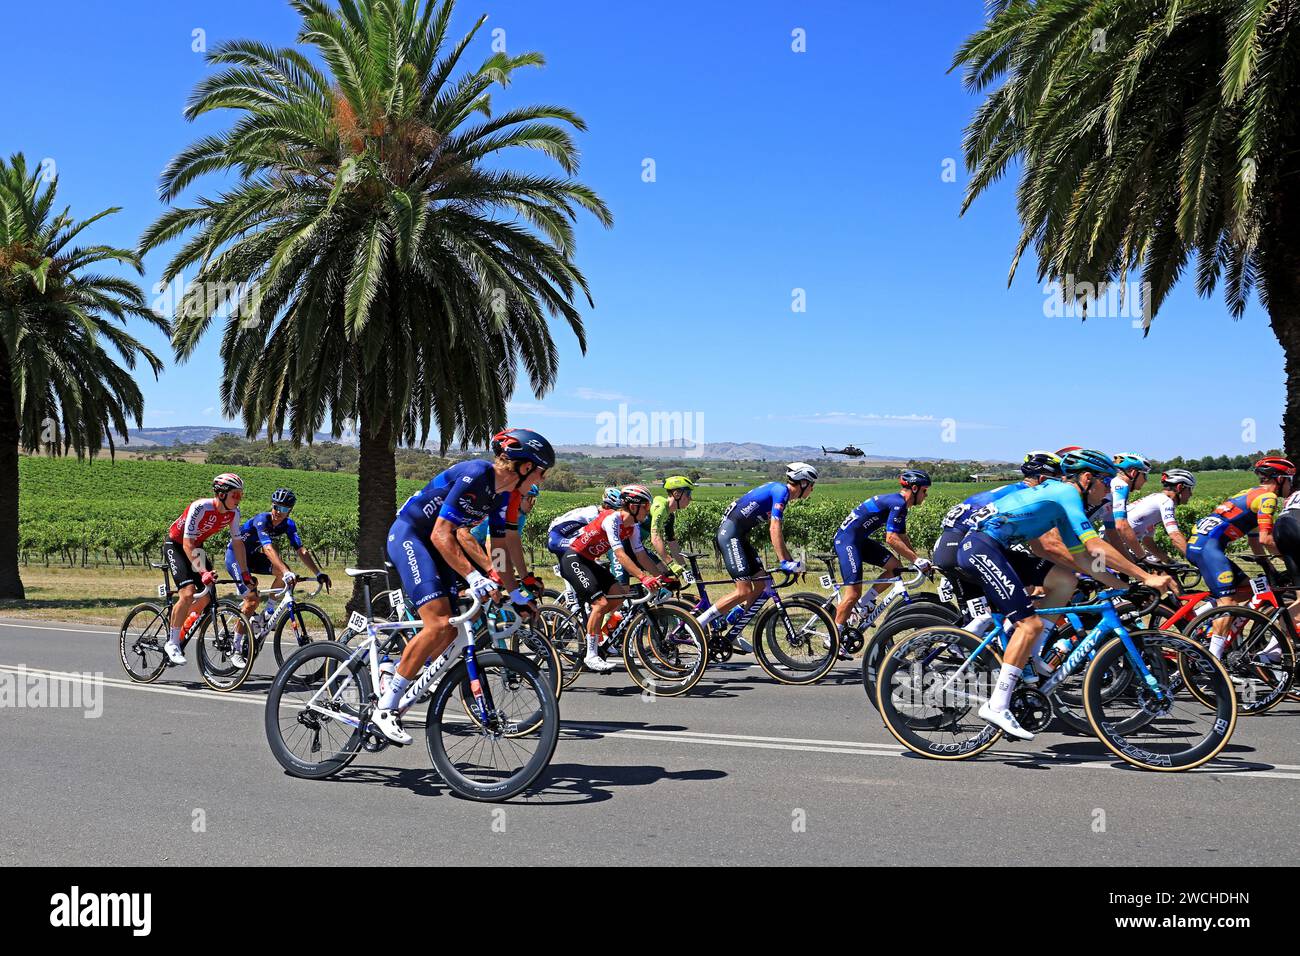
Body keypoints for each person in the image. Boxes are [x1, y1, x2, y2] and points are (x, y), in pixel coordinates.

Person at [957, 449, 1175, 739]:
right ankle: (997, 705)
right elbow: (1097, 547)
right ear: (1087, 478)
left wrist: (1123, 586)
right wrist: (1146, 576)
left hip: (997, 548)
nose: (1107, 492)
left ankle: (1031, 658)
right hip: (980, 547)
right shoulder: (1066, 494)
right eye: (1105, 483)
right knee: (1030, 624)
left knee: (1064, 579)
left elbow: (1087, 560)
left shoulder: (1062, 504)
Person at [372, 428, 554, 745]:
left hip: (436, 545)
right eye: (541, 471)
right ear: (524, 466)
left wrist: (517, 594)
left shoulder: (506, 496)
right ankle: (385, 709)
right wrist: (473, 577)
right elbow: (442, 533)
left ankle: (393, 670)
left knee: (451, 632)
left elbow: (498, 551)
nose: (543, 479)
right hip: (411, 536)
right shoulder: (476, 473)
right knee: (439, 622)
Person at [698, 463, 818, 651]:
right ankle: (698, 624)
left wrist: (790, 562)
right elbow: (774, 527)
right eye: (811, 484)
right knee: (743, 591)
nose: (812, 489)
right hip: (730, 534)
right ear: (803, 483)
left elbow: (779, 536)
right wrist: (784, 562)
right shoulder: (781, 492)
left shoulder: (781, 494)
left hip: (739, 535)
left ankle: (734, 626)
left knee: (762, 584)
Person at [1187, 456, 1295, 659]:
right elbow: (1266, 539)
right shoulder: (1268, 498)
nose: (1291, 484)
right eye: (1289, 479)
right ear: (1279, 479)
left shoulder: (1252, 494)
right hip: (1209, 549)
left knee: (1247, 589)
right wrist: (1291, 559)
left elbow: (1255, 540)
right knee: (1228, 603)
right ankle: (1214, 662)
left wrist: (1268, 567)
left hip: (1202, 545)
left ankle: (1197, 617)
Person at [558, 484, 675, 672]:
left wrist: (662, 576)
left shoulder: (633, 527)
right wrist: (644, 578)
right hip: (573, 559)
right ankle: (591, 655)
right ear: (634, 506)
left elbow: (641, 556)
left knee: (619, 596)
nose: (648, 510)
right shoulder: (612, 519)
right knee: (601, 604)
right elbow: (620, 555)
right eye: (646, 506)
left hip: (589, 561)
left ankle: (596, 631)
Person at [931, 452, 1062, 600]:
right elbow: (1047, 546)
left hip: (949, 548)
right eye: (1058, 480)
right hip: (963, 548)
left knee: (984, 619)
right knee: (1032, 586)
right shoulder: (1029, 498)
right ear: (1043, 479)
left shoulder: (1014, 490)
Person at [226, 487, 332, 668]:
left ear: (289, 511)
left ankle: (268, 613)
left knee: (284, 572)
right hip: (236, 558)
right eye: (276, 507)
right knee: (252, 601)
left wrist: (318, 573)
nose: (278, 512)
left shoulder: (288, 525)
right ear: (272, 505)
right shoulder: (261, 520)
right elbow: (268, 549)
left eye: (283, 509)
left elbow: (301, 550)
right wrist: (285, 571)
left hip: (252, 557)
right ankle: (235, 648)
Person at [831, 470, 932, 639]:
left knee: (895, 568)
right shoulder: (898, 503)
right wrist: (916, 559)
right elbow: (891, 539)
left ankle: (863, 604)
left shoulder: (899, 503)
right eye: (924, 491)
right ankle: (833, 638)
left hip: (858, 540)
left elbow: (902, 536)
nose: (926, 495)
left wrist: (917, 558)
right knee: (853, 593)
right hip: (847, 541)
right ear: (914, 488)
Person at [162, 474, 251, 666]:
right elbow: (187, 544)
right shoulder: (201, 507)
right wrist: (203, 572)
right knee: (187, 593)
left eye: (240, 495)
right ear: (221, 494)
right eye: (235, 495)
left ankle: (181, 621)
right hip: (177, 545)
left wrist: (245, 574)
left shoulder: (234, 513)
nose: (239, 499)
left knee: (207, 596)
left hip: (197, 546)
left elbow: (238, 544)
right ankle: (172, 642)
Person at [1121, 469, 1195, 564]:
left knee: (1163, 571)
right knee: (1161, 576)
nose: (1191, 494)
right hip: (1116, 546)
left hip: (1118, 544)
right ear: (1179, 487)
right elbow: (1175, 536)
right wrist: (1197, 561)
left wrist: (1170, 562)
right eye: (1190, 489)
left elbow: (1147, 540)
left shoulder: (1156, 498)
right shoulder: (1166, 502)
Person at [651, 476, 696, 579]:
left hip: (637, 546)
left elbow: (672, 543)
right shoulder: (660, 508)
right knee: (663, 573)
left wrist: (684, 567)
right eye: (688, 494)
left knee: (666, 576)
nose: (691, 498)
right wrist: (671, 563)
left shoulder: (670, 515)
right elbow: (655, 538)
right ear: (677, 494)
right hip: (631, 546)